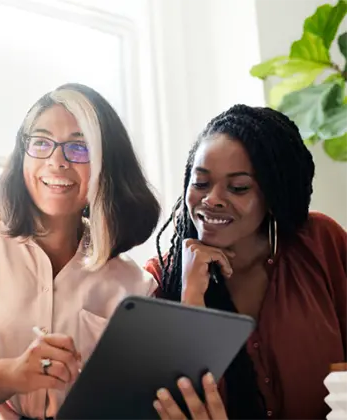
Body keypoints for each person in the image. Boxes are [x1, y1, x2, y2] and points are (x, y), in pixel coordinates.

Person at [0, 83, 161, 419]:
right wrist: (14, 374)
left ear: (107, 164)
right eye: (41, 143)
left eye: (78, 147)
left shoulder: (136, 285)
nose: (57, 161)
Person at [147, 104, 347, 420]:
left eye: (238, 187)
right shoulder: (160, 280)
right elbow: (162, 404)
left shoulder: (321, 245)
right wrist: (191, 299)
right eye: (200, 183)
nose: (211, 199)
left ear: (274, 193)